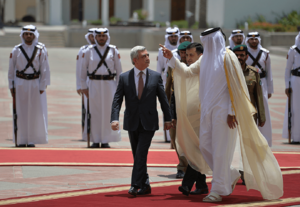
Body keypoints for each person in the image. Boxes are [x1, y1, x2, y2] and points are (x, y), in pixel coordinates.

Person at [160, 27, 283, 202]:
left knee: (219, 151)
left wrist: (233, 112)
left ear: (214, 40)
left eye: (207, 40)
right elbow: (187, 73)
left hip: (224, 112)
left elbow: (237, 84)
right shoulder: (204, 60)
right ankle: (230, 174)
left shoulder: (228, 57)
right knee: (205, 147)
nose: (205, 43)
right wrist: (171, 58)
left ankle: (217, 190)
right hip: (206, 110)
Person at [111, 46, 172, 197]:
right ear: (135, 60)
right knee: (138, 154)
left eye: (148, 55)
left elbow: (164, 100)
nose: (147, 58)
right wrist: (114, 118)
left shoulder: (155, 76)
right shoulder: (125, 77)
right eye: (143, 56)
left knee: (140, 153)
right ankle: (145, 184)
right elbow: (117, 100)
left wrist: (168, 118)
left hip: (149, 122)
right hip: (132, 121)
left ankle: (135, 185)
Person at [170, 42, 208, 195]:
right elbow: (174, 94)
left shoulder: (207, 67)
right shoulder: (184, 69)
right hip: (189, 117)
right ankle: (202, 185)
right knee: (194, 149)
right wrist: (173, 115)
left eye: (191, 55)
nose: (188, 58)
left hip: (204, 116)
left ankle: (187, 184)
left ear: (200, 55)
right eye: (186, 55)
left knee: (198, 150)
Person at [8, 25, 50, 147]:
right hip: (20, 82)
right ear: (22, 35)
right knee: (20, 111)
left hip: (35, 82)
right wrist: (11, 86)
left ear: (35, 35)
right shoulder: (16, 50)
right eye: (26, 34)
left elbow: (45, 69)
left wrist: (43, 86)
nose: (28, 36)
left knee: (34, 112)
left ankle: (31, 140)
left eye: (31, 34)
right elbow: (11, 70)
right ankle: (21, 139)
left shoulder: (41, 49)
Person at [81, 28, 122, 148]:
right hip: (93, 84)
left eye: (103, 36)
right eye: (99, 36)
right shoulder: (89, 51)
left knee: (108, 112)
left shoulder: (113, 50)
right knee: (94, 112)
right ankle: (95, 139)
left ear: (107, 37)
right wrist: (83, 87)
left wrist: (120, 88)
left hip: (109, 84)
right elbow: (82, 70)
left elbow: (119, 71)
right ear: (95, 37)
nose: (101, 38)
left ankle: (106, 140)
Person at [165, 41, 190, 179]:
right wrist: (167, 110)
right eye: (182, 53)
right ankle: (182, 166)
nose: (184, 55)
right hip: (175, 107)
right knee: (175, 138)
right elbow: (168, 88)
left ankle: (190, 167)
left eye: (186, 53)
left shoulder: (196, 67)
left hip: (192, 108)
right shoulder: (173, 66)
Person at [246, 31, 273, 146]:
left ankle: (265, 139)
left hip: (262, 83)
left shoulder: (265, 53)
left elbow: (269, 73)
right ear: (247, 40)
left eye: (256, 39)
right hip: (248, 83)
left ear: (259, 40)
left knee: (264, 109)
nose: (253, 41)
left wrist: (270, 90)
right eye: (251, 39)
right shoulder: (244, 53)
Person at [233, 45, 265, 126]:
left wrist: (262, 117)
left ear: (247, 57)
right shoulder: (228, 73)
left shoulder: (254, 73)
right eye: (236, 55)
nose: (239, 57)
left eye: (242, 55)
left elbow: (259, 95)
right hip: (233, 115)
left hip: (250, 114)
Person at [157, 27, 179, 143]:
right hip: (167, 83)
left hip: (179, 83)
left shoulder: (183, 50)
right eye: (171, 36)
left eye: (175, 36)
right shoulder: (161, 51)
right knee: (167, 108)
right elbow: (159, 69)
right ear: (167, 37)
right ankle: (169, 136)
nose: (174, 38)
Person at [76, 28, 97, 140]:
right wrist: (79, 85)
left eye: (95, 36)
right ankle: (86, 133)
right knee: (86, 108)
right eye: (91, 36)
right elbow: (79, 69)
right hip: (87, 82)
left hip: (101, 83)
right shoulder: (83, 50)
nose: (93, 38)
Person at [282, 31, 300, 143]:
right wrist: (287, 85)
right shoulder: (293, 50)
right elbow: (288, 69)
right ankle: (296, 136)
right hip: (296, 81)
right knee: (295, 108)